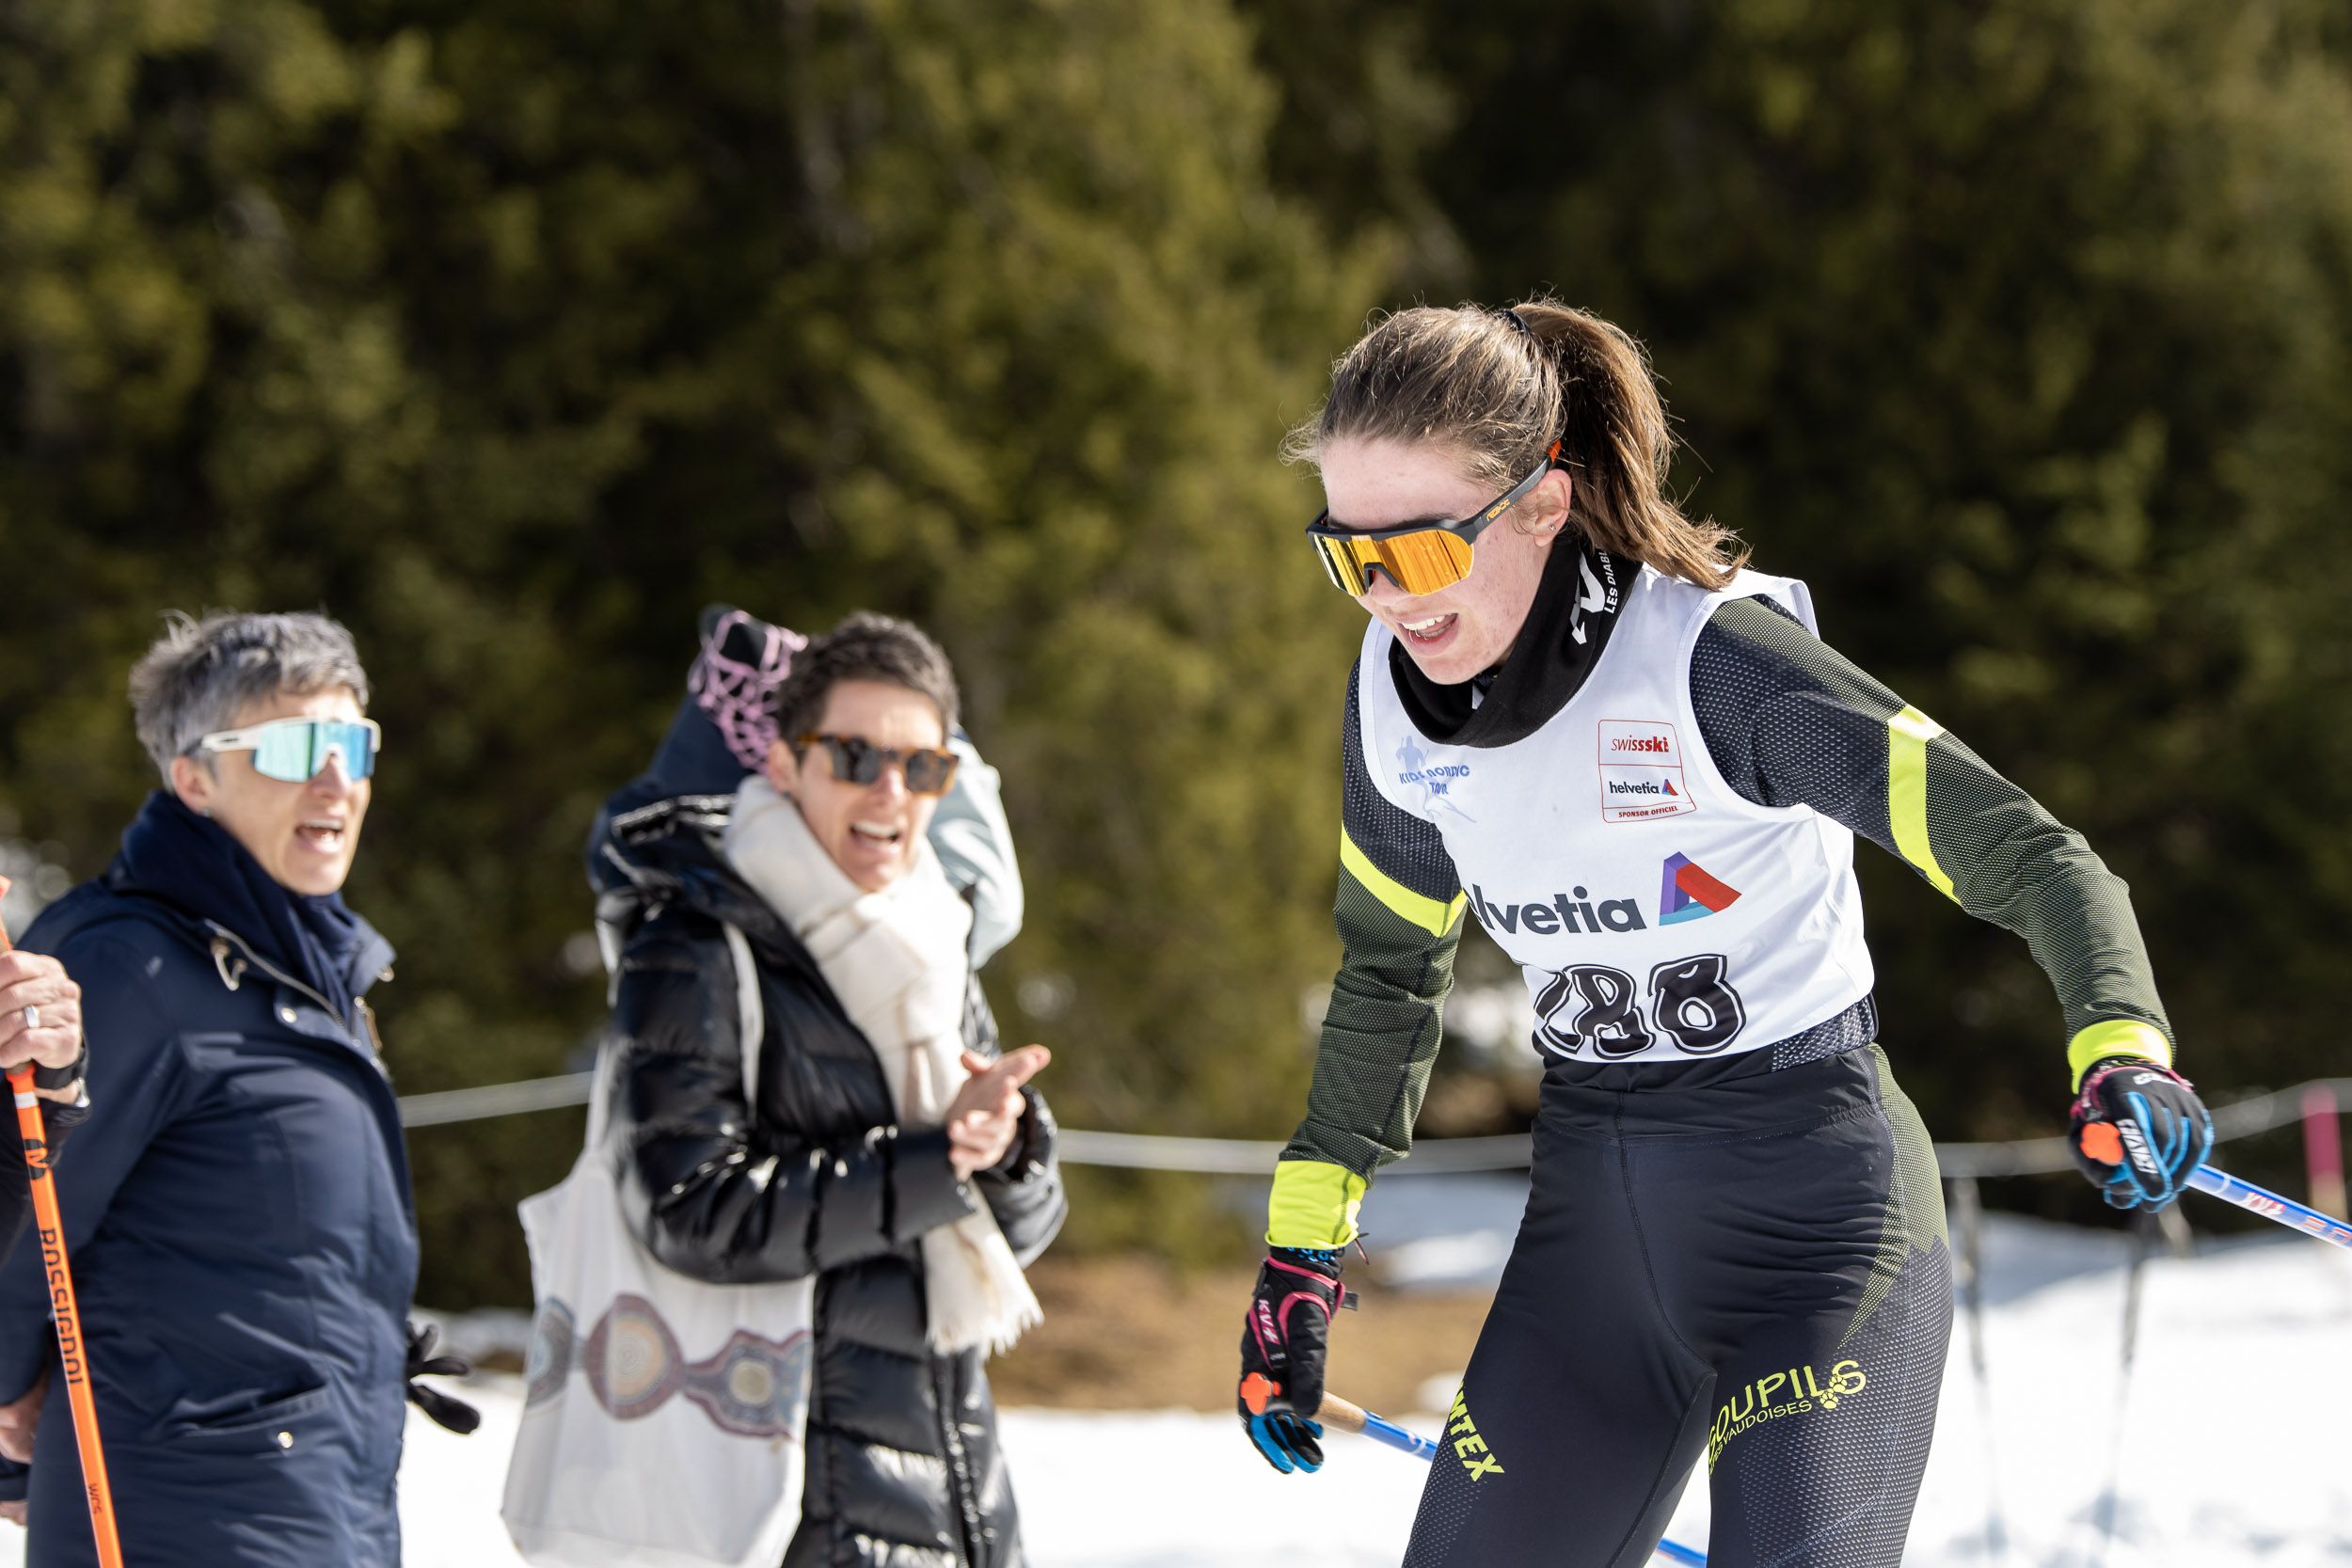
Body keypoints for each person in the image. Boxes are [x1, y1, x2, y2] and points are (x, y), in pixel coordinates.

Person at [1234, 300, 2212, 1568]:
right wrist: (1300, 1252)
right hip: (1592, 1241)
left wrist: (2121, 1041)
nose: (1384, 600)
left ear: (1541, 504)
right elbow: (1387, 975)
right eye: (1348, 556)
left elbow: (2031, 853)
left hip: (1822, 1227)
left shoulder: (1714, 664)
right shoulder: (1392, 710)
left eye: (1417, 551)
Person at [592, 610, 1064, 1568]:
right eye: (854, 756)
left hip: (953, 1484)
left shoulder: (935, 934)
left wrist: (1004, 1148)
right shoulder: (696, 940)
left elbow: (1018, 1230)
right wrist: (933, 1163)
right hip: (771, 1500)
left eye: (922, 766)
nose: (890, 790)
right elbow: (687, 1209)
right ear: (783, 762)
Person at [0, 611, 470, 1565]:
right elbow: (20, 1215)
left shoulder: (309, 970)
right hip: (177, 1513)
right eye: (296, 746)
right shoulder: (127, 967)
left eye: (352, 744)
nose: (334, 779)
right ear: (194, 778)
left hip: (318, 1503)